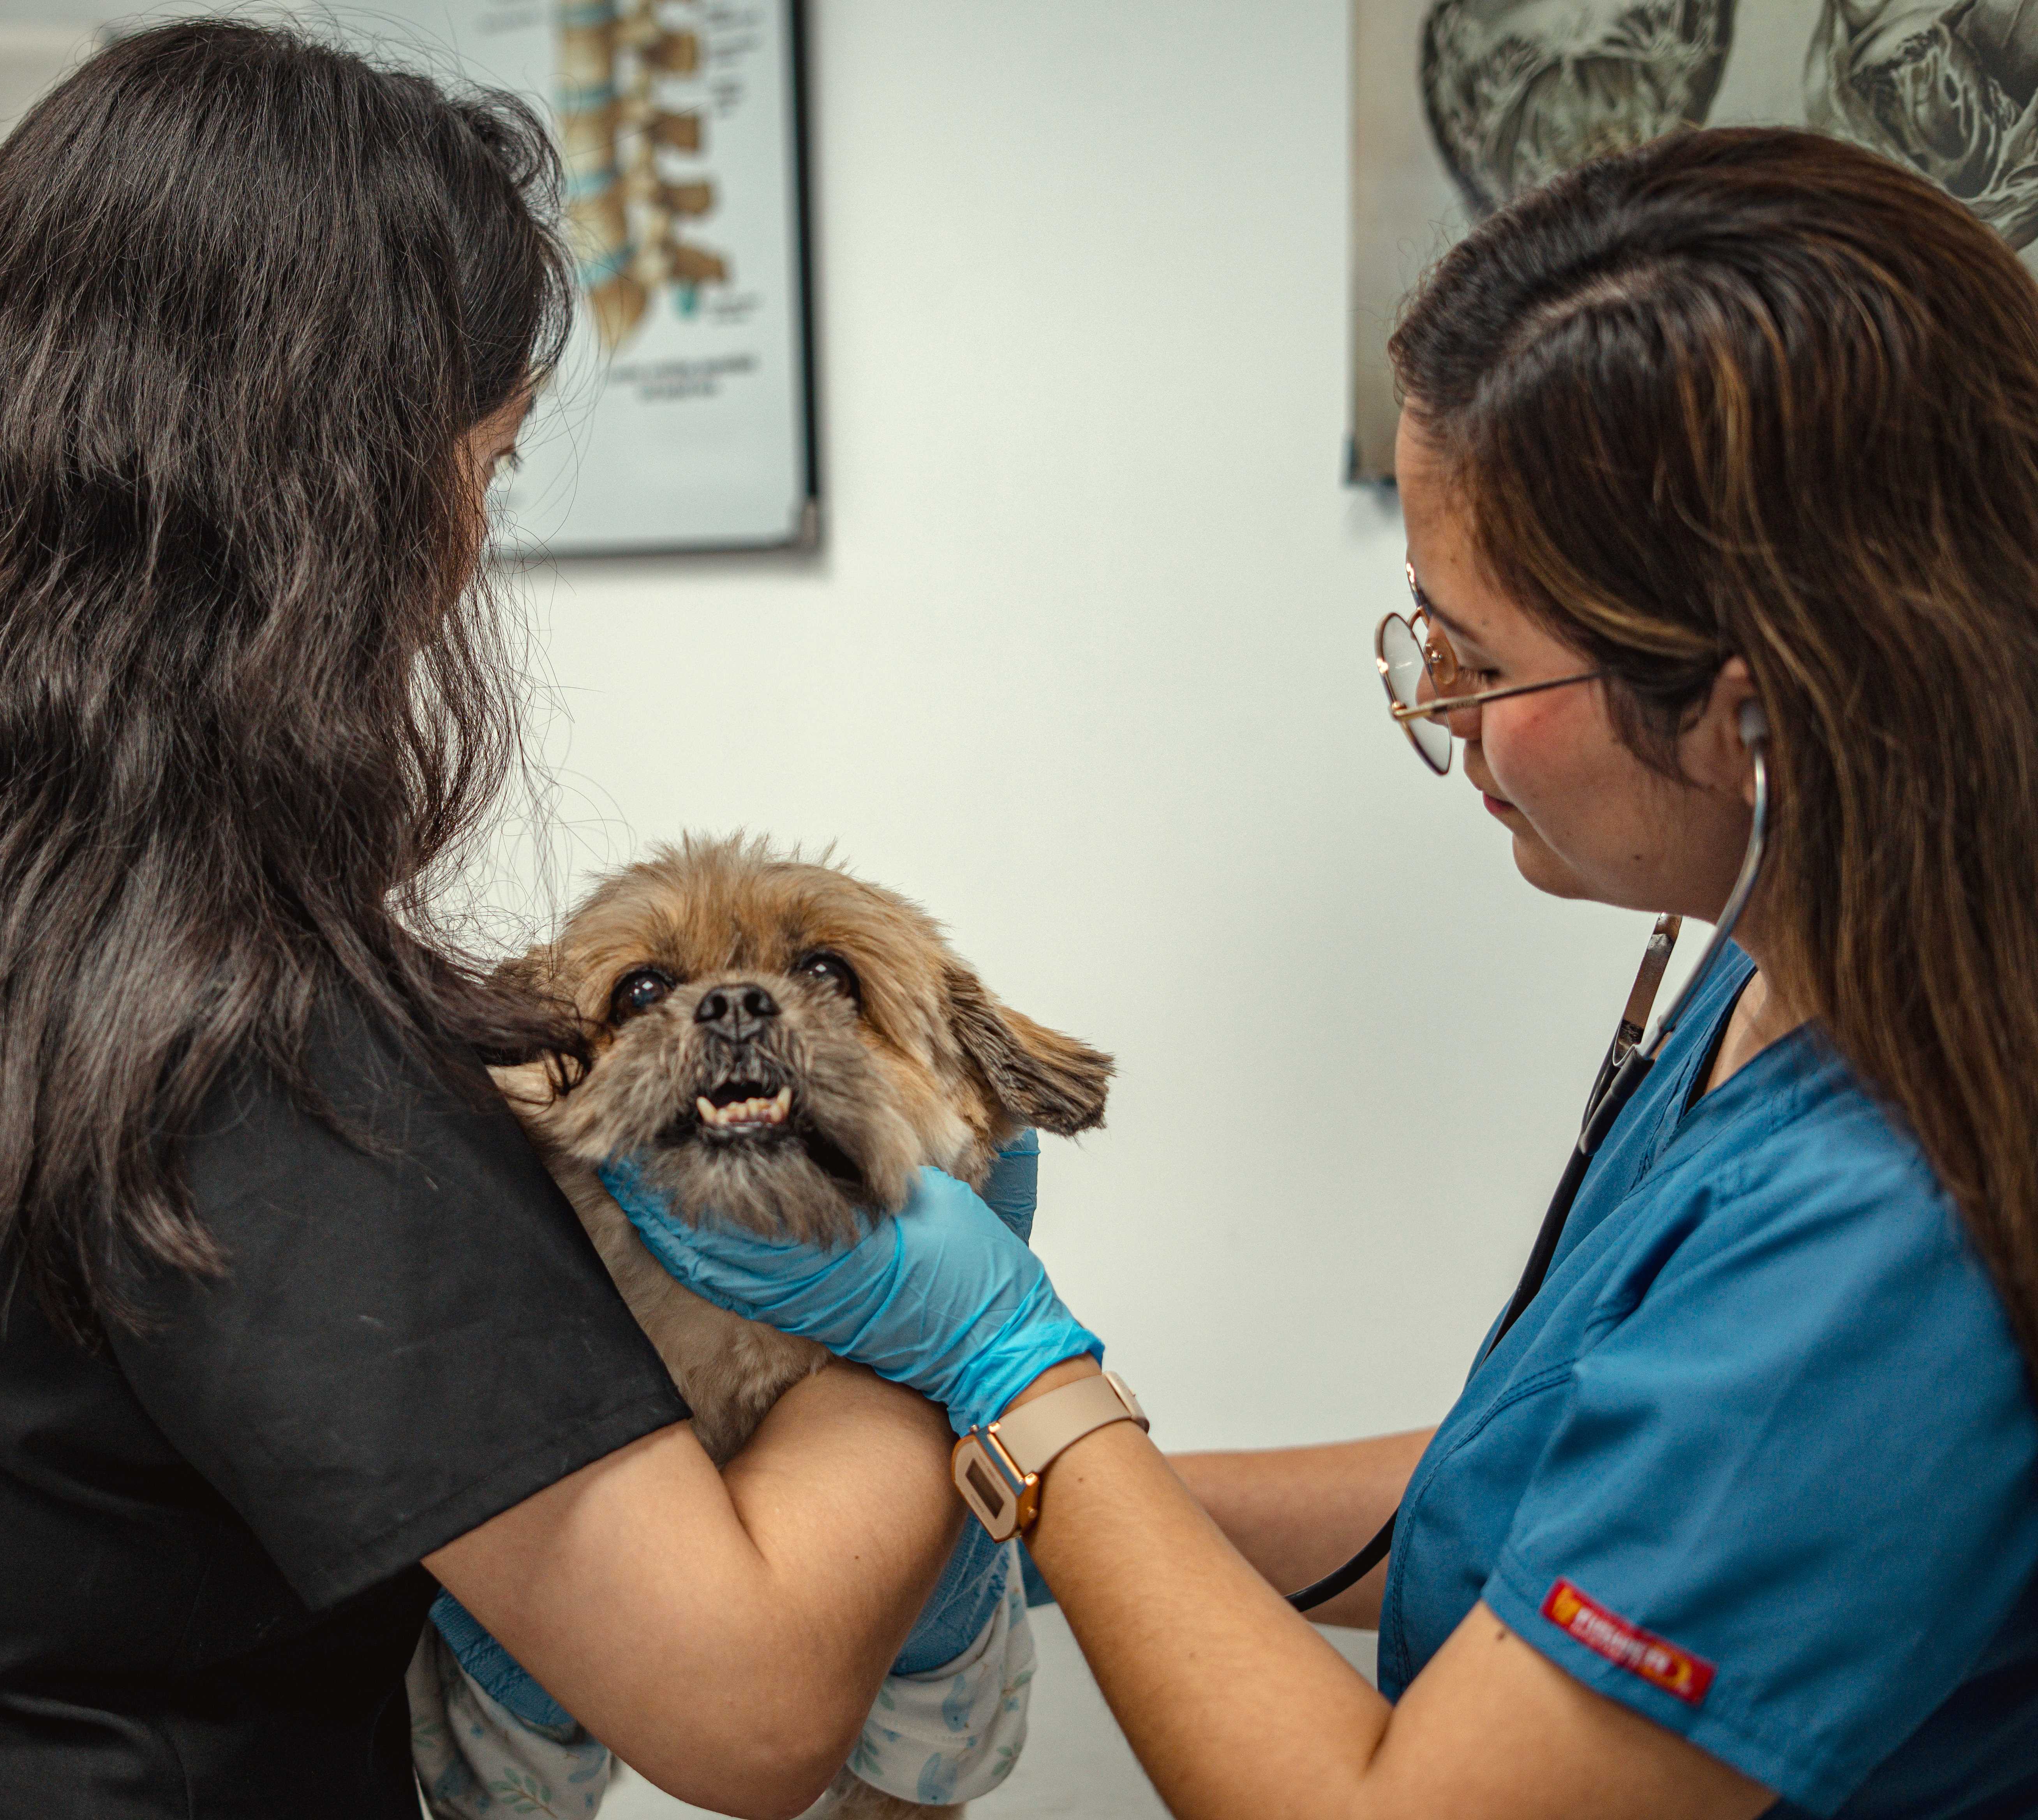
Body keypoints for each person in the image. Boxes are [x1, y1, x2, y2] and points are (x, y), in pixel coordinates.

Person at [0, 22, 1064, 1820]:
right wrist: (951, 1312)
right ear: (334, 490)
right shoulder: (235, 1017)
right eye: (486, 468)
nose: (468, 551)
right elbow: (746, 1706)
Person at [611, 127, 2038, 1818]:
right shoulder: (1790, 971)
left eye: (1478, 660)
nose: (1431, 710)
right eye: (1424, 639)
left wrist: (1026, 1383)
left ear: (1756, 715)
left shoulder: (1897, 1226)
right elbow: (1579, 1486)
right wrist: (978, 1526)